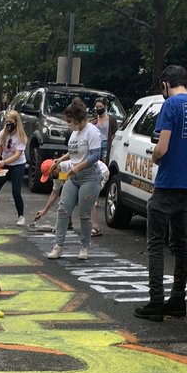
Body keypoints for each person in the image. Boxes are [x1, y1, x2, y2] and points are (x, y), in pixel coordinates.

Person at [135, 65, 187, 322]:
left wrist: (156, 156)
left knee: (156, 245)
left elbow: (162, 147)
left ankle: (156, 302)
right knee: (180, 244)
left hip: (166, 185)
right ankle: (177, 300)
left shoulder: (170, 106)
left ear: (165, 84)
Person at [47, 99, 102, 261]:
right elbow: (73, 152)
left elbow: (95, 155)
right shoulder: (75, 133)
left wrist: (77, 167)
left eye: (70, 122)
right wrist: (61, 160)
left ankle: (84, 246)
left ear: (79, 120)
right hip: (73, 176)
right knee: (63, 209)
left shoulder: (92, 132)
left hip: (89, 176)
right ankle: (58, 245)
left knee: (84, 214)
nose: (69, 125)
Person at [0, 110, 27, 225]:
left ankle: (21, 216)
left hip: (17, 165)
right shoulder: (2, 134)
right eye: (7, 121)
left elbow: (17, 155)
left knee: (16, 192)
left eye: (11, 121)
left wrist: (4, 162)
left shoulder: (21, 136)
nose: (8, 124)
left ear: (16, 122)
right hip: (4, 164)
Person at [90, 98, 116, 237]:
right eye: (96, 106)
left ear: (105, 106)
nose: (98, 109)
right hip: (96, 146)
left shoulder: (111, 119)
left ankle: (100, 193)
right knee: (95, 169)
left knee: (103, 171)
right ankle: (96, 197)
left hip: (106, 145)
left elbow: (114, 133)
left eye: (100, 106)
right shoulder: (94, 120)